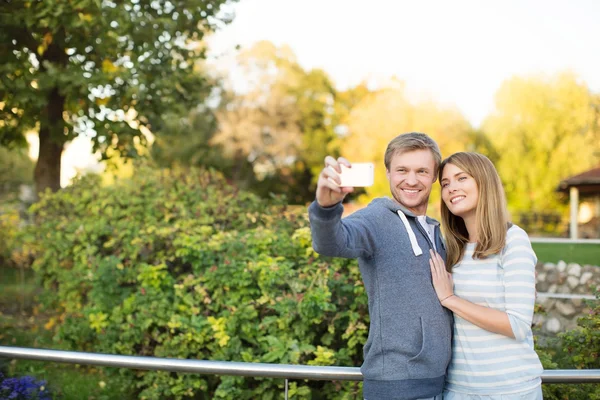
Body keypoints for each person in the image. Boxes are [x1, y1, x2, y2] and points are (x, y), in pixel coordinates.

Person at [308, 132, 452, 400]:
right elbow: (332, 243)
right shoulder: (376, 219)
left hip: (439, 384)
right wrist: (326, 208)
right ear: (387, 173)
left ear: (434, 176)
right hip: (395, 386)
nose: (411, 180)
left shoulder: (434, 230)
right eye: (402, 170)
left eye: (421, 171)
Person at [429, 152, 543, 399]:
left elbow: (517, 324)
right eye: (445, 183)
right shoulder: (452, 250)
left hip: (510, 389)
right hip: (458, 389)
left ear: (484, 181)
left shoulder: (513, 240)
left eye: (461, 178)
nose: (451, 188)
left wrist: (450, 299)